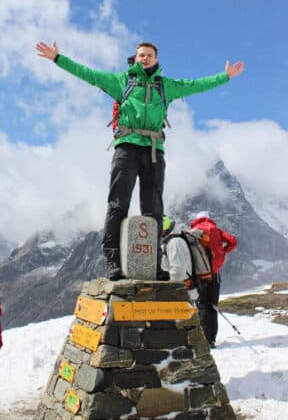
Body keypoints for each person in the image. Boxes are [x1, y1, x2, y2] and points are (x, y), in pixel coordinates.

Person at [36, 40, 244, 280]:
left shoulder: (166, 86)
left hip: (154, 150)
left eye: (150, 55)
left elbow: (195, 85)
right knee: (118, 204)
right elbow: (88, 74)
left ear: (156, 60)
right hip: (126, 147)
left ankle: (153, 264)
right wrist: (58, 58)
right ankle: (113, 261)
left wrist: (225, 76)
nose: (145, 58)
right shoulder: (122, 81)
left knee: (153, 210)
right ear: (134, 59)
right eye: (141, 55)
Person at [190, 211, 238, 347]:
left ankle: (204, 339)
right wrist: (224, 251)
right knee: (213, 306)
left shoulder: (193, 231)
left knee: (202, 305)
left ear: (197, 219)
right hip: (215, 274)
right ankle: (211, 339)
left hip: (200, 275)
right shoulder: (216, 230)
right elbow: (233, 241)